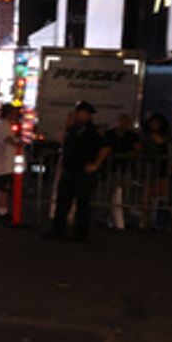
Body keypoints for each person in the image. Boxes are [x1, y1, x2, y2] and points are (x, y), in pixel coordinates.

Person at [43, 101, 111, 241]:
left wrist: (96, 165)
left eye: (87, 114)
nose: (84, 116)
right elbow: (64, 143)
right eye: (82, 113)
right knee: (62, 202)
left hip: (84, 172)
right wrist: (67, 126)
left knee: (83, 204)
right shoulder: (72, 129)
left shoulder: (93, 131)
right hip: (69, 170)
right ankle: (58, 231)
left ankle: (81, 233)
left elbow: (105, 148)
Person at [104, 113, 140, 229]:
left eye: (126, 122)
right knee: (109, 192)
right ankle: (108, 216)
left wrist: (125, 155)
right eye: (121, 121)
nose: (123, 124)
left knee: (125, 192)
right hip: (112, 167)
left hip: (126, 167)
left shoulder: (132, 136)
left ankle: (123, 217)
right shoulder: (110, 134)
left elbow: (137, 150)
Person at [0, 103, 21, 222]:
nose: (16, 115)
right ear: (8, 114)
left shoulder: (3, 125)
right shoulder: (3, 126)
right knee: (4, 188)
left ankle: (2, 210)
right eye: (14, 113)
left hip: (2, 163)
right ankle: (3, 212)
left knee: (2, 188)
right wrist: (19, 144)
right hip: (3, 164)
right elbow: (8, 139)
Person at [140, 113, 172, 230]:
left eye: (157, 123)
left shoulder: (167, 137)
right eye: (153, 123)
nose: (155, 125)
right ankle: (146, 219)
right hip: (149, 166)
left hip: (162, 167)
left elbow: (169, 149)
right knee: (147, 193)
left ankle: (158, 219)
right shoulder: (146, 136)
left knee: (161, 193)